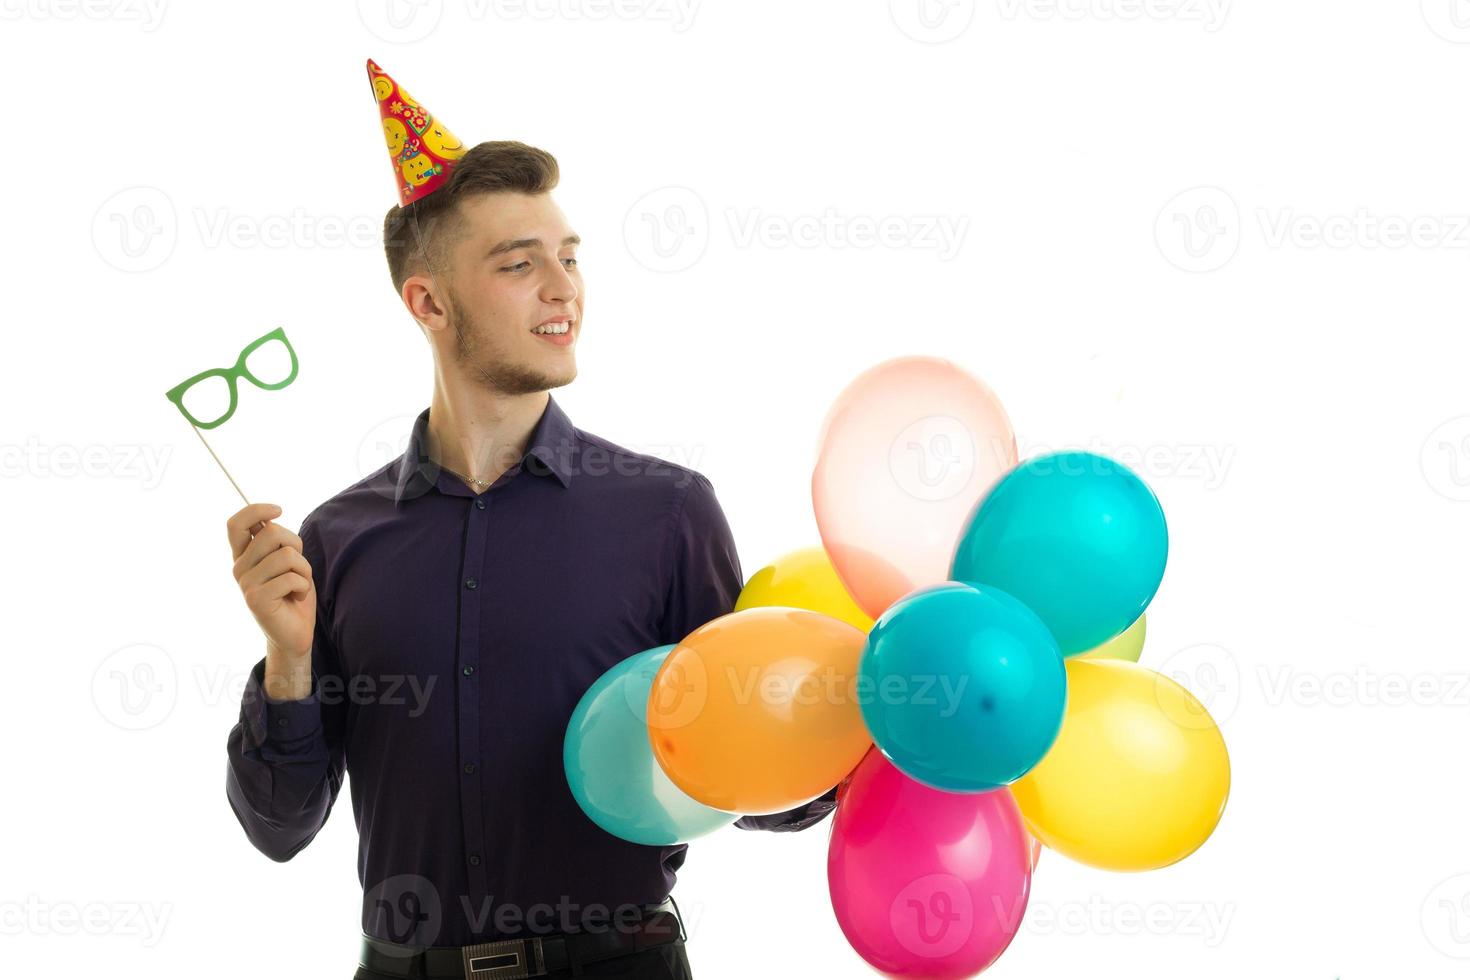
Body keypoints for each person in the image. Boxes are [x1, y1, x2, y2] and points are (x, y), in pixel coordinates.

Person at [224, 63, 836, 980]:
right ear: (429, 303)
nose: (564, 288)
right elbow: (279, 827)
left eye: (570, 255)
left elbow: (761, 792)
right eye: (519, 264)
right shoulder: (337, 540)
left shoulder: (668, 513)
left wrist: (850, 708)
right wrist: (290, 661)